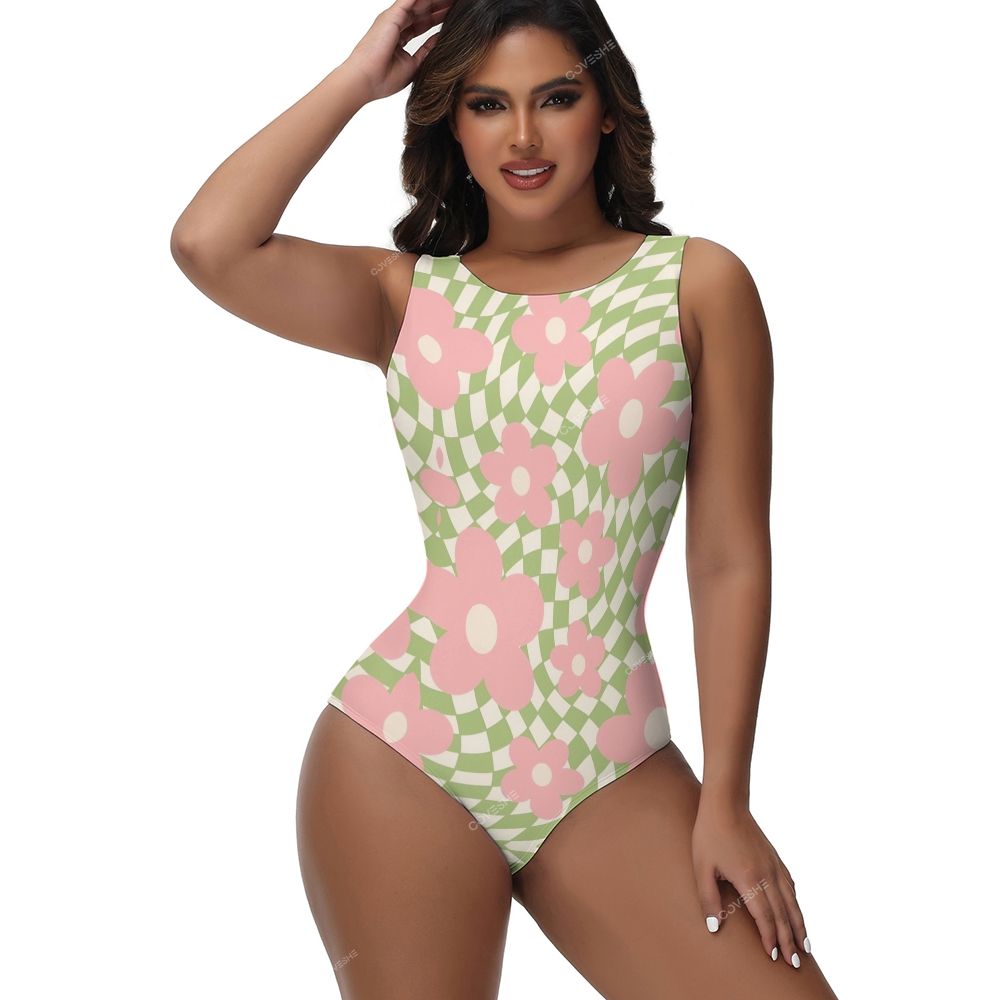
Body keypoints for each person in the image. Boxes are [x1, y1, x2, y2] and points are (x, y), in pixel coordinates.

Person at [170, 1, 840, 997]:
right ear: (453, 122)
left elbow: (728, 557)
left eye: (555, 98)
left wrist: (727, 800)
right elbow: (208, 244)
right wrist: (357, 79)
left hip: (609, 763)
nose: (522, 137)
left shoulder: (697, 285)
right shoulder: (406, 298)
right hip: (406, 750)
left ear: (606, 110)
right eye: (487, 104)